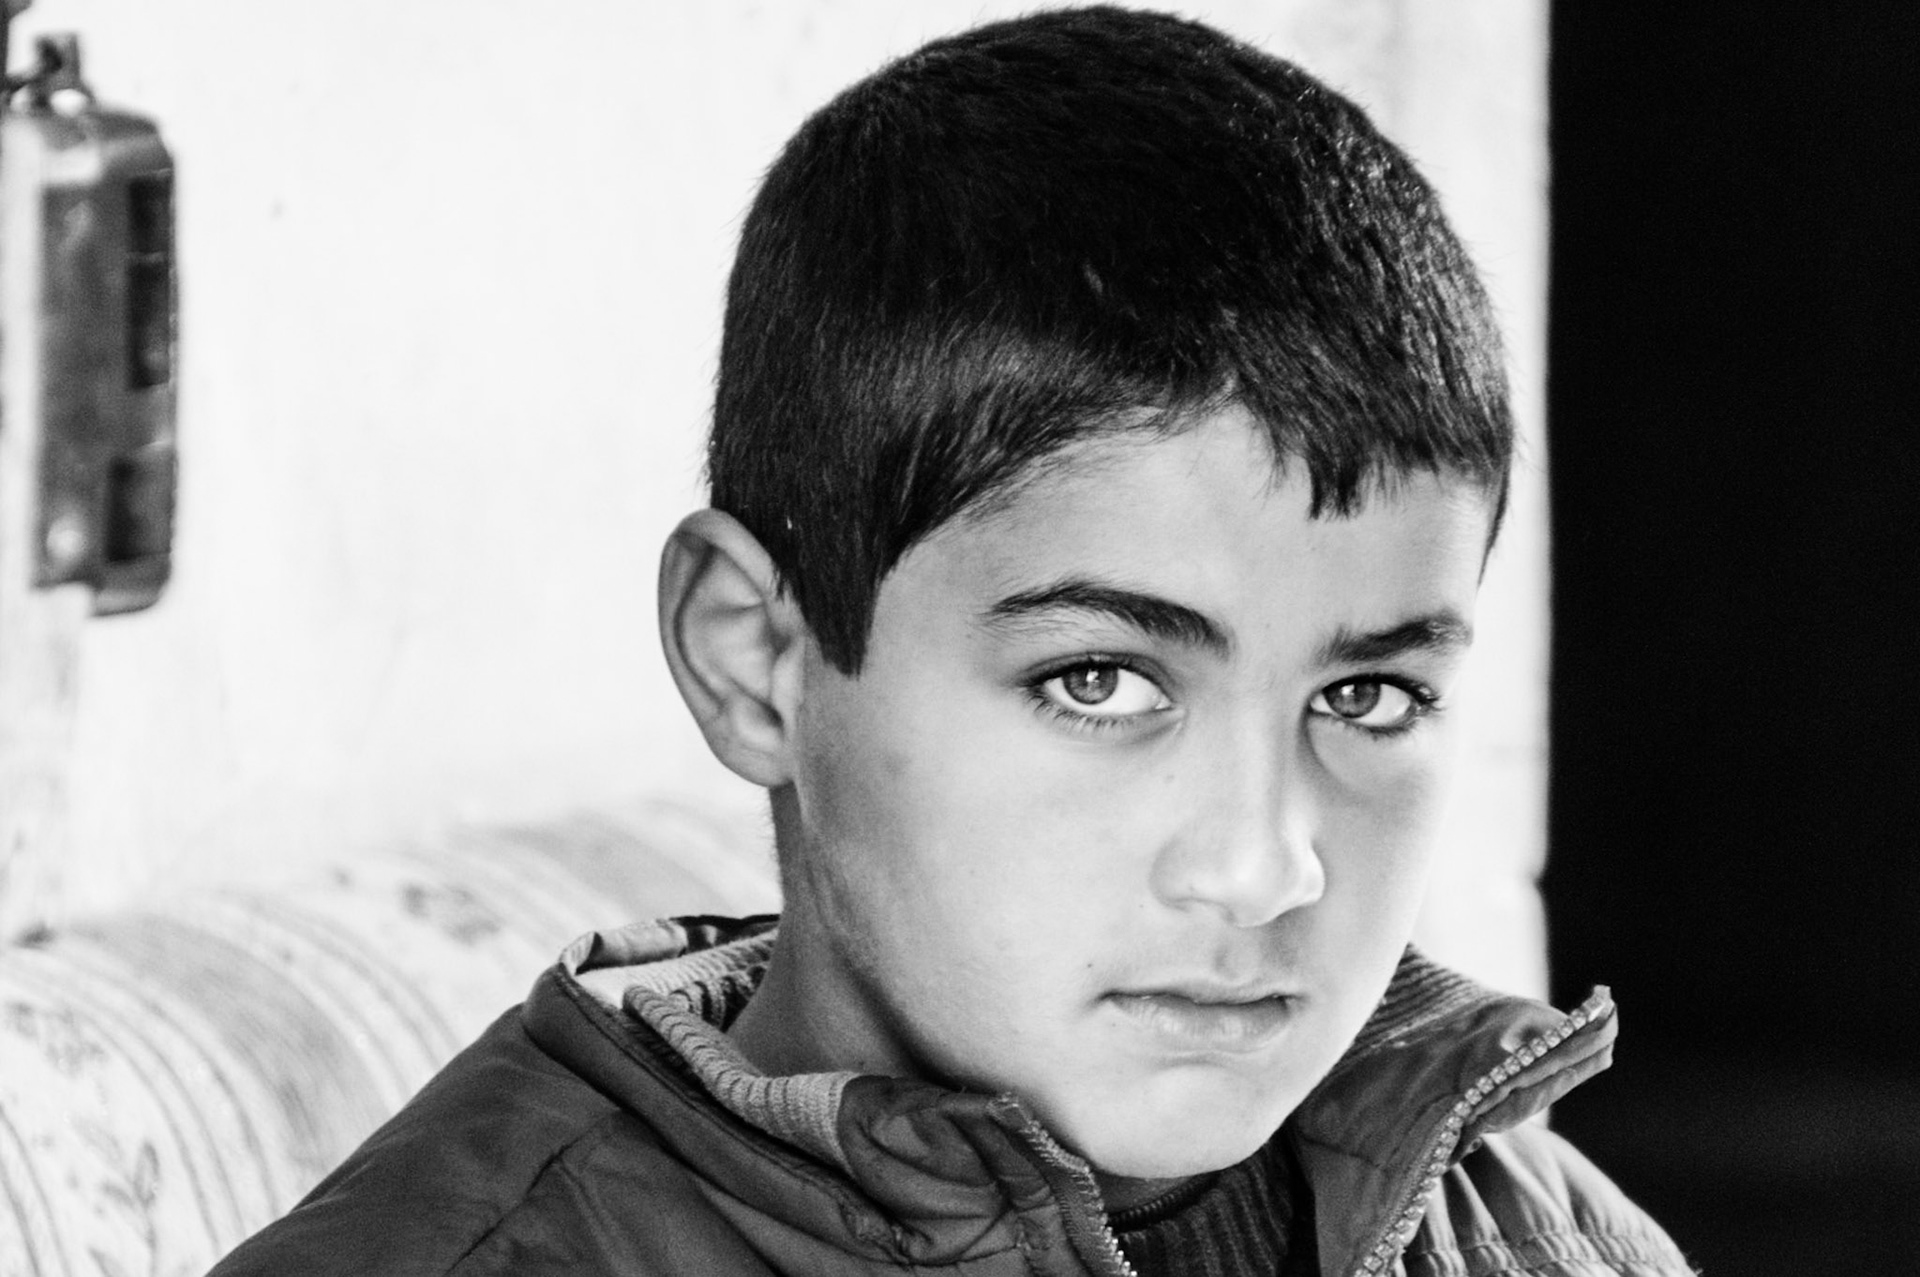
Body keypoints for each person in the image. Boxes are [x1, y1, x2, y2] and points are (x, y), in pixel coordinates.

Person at [211, 8, 1692, 1275]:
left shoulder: (1522, 1222)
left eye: (1368, 692)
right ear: (756, 660)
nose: (1264, 865)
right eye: (1099, 682)